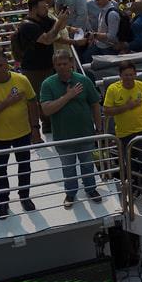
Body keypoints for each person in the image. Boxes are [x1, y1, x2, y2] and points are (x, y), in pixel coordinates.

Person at [0, 49, 40, 218]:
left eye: (1, 65)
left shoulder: (21, 79)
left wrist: (35, 128)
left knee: (24, 166)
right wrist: (7, 102)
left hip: (23, 132)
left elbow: (32, 103)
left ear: (7, 64)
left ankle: (24, 196)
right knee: (0, 171)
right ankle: (3, 202)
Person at [39, 50, 104, 208]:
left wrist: (99, 128)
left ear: (71, 63)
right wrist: (68, 96)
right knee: (68, 168)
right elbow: (46, 110)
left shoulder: (83, 80)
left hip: (85, 134)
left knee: (87, 165)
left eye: (65, 63)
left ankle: (91, 189)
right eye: (58, 64)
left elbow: (95, 104)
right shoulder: (47, 84)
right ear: (54, 65)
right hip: (63, 136)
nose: (62, 67)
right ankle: (70, 193)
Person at [16, 0, 68, 131]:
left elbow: (60, 27)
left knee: (52, 94)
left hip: (48, 65)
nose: (46, 9)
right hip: (33, 68)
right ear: (34, 9)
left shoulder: (44, 19)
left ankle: (51, 123)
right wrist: (58, 23)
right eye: (43, 7)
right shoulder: (27, 25)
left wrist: (63, 17)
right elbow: (47, 39)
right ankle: (40, 127)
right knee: (38, 98)